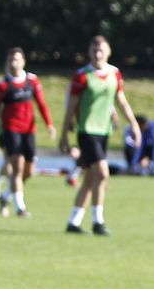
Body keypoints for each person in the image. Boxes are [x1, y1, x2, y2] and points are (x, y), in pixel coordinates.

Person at [60, 35, 140, 236]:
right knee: (102, 173)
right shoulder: (82, 76)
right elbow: (71, 105)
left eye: (101, 50)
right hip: (87, 131)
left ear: (108, 52)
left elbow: (121, 101)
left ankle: (73, 222)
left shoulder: (115, 74)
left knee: (90, 178)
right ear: (89, 53)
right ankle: (98, 222)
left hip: (104, 131)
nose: (97, 54)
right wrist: (64, 133)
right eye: (94, 50)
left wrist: (134, 125)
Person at [0, 47, 54, 217]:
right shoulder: (1, 86)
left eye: (17, 59)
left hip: (29, 131)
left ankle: (6, 196)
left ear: (23, 61)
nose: (14, 62)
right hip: (11, 129)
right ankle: (20, 208)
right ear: (7, 63)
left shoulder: (32, 81)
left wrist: (49, 124)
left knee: (29, 171)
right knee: (17, 167)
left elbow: (42, 104)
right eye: (11, 60)